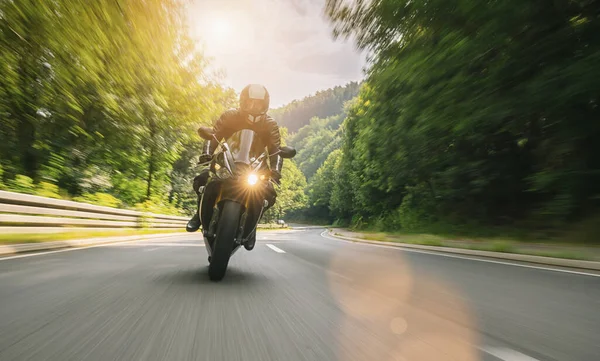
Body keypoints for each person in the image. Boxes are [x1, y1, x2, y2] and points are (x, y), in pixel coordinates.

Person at [186, 84, 283, 250]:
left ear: (265, 105)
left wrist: (276, 171)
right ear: (243, 102)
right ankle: (199, 215)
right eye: (250, 103)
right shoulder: (230, 116)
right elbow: (214, 135)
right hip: (227, 161)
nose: (254, 107)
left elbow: (276, 150)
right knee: (202, 180)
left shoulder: (270, 124)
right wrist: (207, 153)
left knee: (269, 194)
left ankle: (251, 228)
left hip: (255, 168)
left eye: (258, 104)